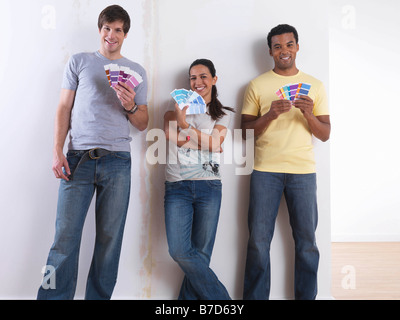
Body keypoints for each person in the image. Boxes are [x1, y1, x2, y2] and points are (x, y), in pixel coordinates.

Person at [37, 5, 148, 300]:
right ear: (100, 30)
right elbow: (63, 107)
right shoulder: (79, 61)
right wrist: (57, 150)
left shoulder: (137, 71)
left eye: (118, 30)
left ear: (126, 34)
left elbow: (143, 123)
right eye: (107, 28)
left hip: (118, 162)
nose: (111, 35)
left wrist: (130, 106)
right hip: (77, 159)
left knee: (110, 242)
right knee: (64, 239)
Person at [241, 24, 330, 300]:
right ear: (270, 51)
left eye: (289, 44)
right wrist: (268, 116)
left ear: (297, 47)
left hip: (303, 172)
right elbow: (244, 130)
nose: (284, 51)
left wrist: (309, 115)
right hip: (265, 171)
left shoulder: (315, 86)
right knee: (257, 243)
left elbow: (325, 134)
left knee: (306, 244)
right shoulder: (257, 85)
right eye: (278, 46)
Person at [163, 59, 234, 299]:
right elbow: (176, 139)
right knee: (179, 251)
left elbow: (214, 144)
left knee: (202, 254)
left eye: (203, 76)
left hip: (209, 187)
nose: (197, 82)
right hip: (177, 187)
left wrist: (184, 125)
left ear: (214, 79)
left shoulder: (223, 114)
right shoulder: (170, 109)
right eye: (193, 78)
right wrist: (208, 142)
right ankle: (223, 300)